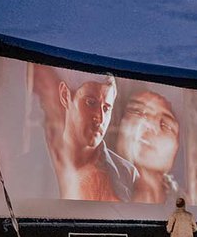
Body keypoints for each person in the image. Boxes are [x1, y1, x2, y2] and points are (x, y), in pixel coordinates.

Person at [31, 66, 137, 202]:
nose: (100, 118)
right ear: (65, 95)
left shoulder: (128, 175)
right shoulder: (30, 166)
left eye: (106, 108)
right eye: (91, 103)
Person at [117, 90, 181, 204]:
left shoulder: (189, 204)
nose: (150, 124)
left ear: (176, 148)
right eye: (137, 111)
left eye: (166, 124)